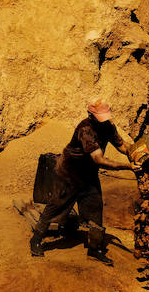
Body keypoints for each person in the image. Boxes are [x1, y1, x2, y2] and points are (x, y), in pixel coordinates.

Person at [29, 99, 136, 264]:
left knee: (95, 208)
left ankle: (95, 249)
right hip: (69, 174)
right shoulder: (85, 130)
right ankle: (36, 240)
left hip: (89, 176)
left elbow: (122, 145)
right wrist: (128, 166)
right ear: (90, 115)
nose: (104, 120)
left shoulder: (108, 126)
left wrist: (138, 153)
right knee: (56, 207)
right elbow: (99, 159)